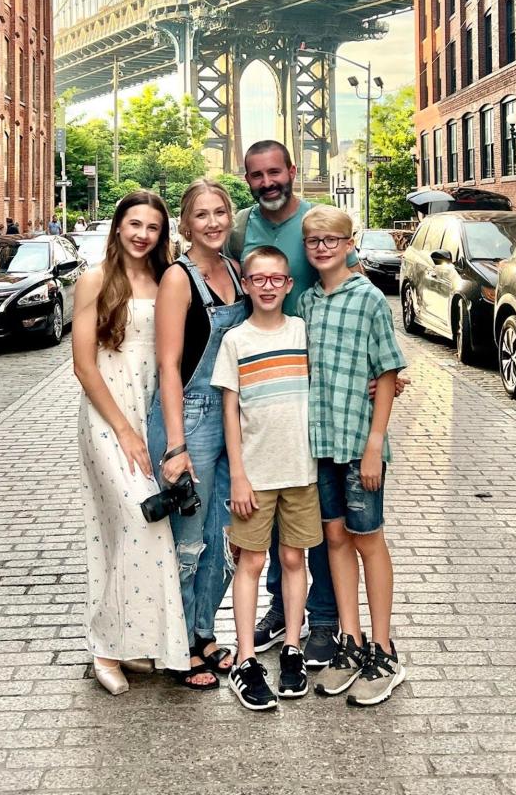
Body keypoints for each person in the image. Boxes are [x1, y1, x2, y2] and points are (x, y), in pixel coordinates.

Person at [226, 139, 360, 669]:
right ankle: (285, 613)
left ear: (292, 171)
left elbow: (351, 282)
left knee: (322, 519)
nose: (266, 183)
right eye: (255, 175)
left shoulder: (315, 222)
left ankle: (323, 621)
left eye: (274, 172)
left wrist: (380, 374)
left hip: (320, 391)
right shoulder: (240, 227)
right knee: (278, 510)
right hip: (266, 383)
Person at [73, 191, 190, 696]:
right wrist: (122, 428)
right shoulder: (95, 279)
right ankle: (104, 647)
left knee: (135, 532)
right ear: (118, 225)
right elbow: (83, 364)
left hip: (151, 414)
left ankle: (133, 641)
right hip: (108, 416)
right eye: (135, 224)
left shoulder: (167, 280)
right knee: (135, 520)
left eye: (154, 227)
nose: (143, 234)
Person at [299, 205, 406, 707]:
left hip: (360, 444)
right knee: (335, 538)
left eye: (331, 240)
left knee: (368, 540)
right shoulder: (306, 303)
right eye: (313, 241)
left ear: (349, 243)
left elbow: (387, 373)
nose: (321, 247)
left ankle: (384, 650)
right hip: (319, 444)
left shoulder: (368, 300)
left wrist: (373, 444)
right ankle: (351, 639)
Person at [212, 245, 321, 711]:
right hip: (254, 474)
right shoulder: (236, 340)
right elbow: (230, 412)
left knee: (295, 560)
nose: (269, 286)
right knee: (251, 564)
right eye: (259, 279)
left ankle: (292, 647)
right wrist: (238, 475)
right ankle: (247, 660)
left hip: (301, 470)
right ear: (247, 284)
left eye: (277, 279)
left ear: (289, 283)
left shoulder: (302, 332)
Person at [148, 178, 247, 689]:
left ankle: (205, 630)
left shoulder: (234, 270)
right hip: (188, 413)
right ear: (185, 225)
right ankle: (181, 643)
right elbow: (167, 366)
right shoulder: (179, 279)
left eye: (220, 212)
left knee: (222, 535)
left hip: (233, 415)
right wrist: (176, 445)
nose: (213, 222)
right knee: (187, 541)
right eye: (201, 215)